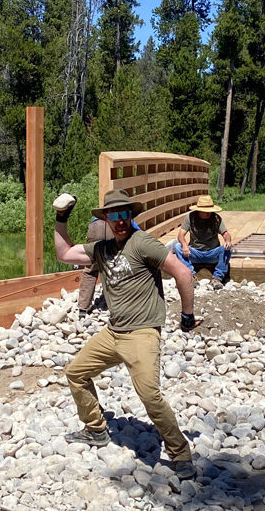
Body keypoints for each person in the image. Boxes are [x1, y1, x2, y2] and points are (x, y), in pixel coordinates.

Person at [53, 189, 201, 480]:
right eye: (114, 215)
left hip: (142, 332)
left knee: (149, 394)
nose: (120, 220)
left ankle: (181, 453)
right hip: (112, 332)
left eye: (125, 214)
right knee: (76, 373)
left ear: (130, 216)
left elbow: (182, 274)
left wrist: (186, 317)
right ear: (106, 218)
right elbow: (64, 253)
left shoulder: (143, 243)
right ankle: (95, 429)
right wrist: (61, 217)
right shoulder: (103, 248)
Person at [78, 217, 141, 317]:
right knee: (118, 265)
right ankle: (120, 304)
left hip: (95, 226)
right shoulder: (124, 214)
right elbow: (136, 230)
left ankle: (83, 307)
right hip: (113, 228)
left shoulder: (105, 212)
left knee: (91, 270)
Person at [173, 195, 232, 290]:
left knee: (227, 249)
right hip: (194, 252)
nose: (208, 213)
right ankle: (191, 276)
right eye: (206, 212)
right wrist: (184, 245)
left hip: (212, 252)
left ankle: (217, 278)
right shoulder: (190, 217)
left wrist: (227, 241)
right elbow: (181, 235)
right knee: (177, 247)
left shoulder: (216, 218)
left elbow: (225, 233)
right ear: (199, 210)